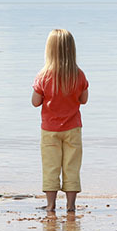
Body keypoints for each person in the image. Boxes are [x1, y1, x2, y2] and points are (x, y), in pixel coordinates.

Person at [31, 29, 89, 212]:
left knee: (50, 166)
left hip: (50, 130)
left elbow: (35, 102)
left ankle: (50, 205)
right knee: (72, 167)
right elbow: (84, 99)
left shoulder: (43, 75)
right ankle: (71, 205)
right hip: (73, 129)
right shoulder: (78, 75)